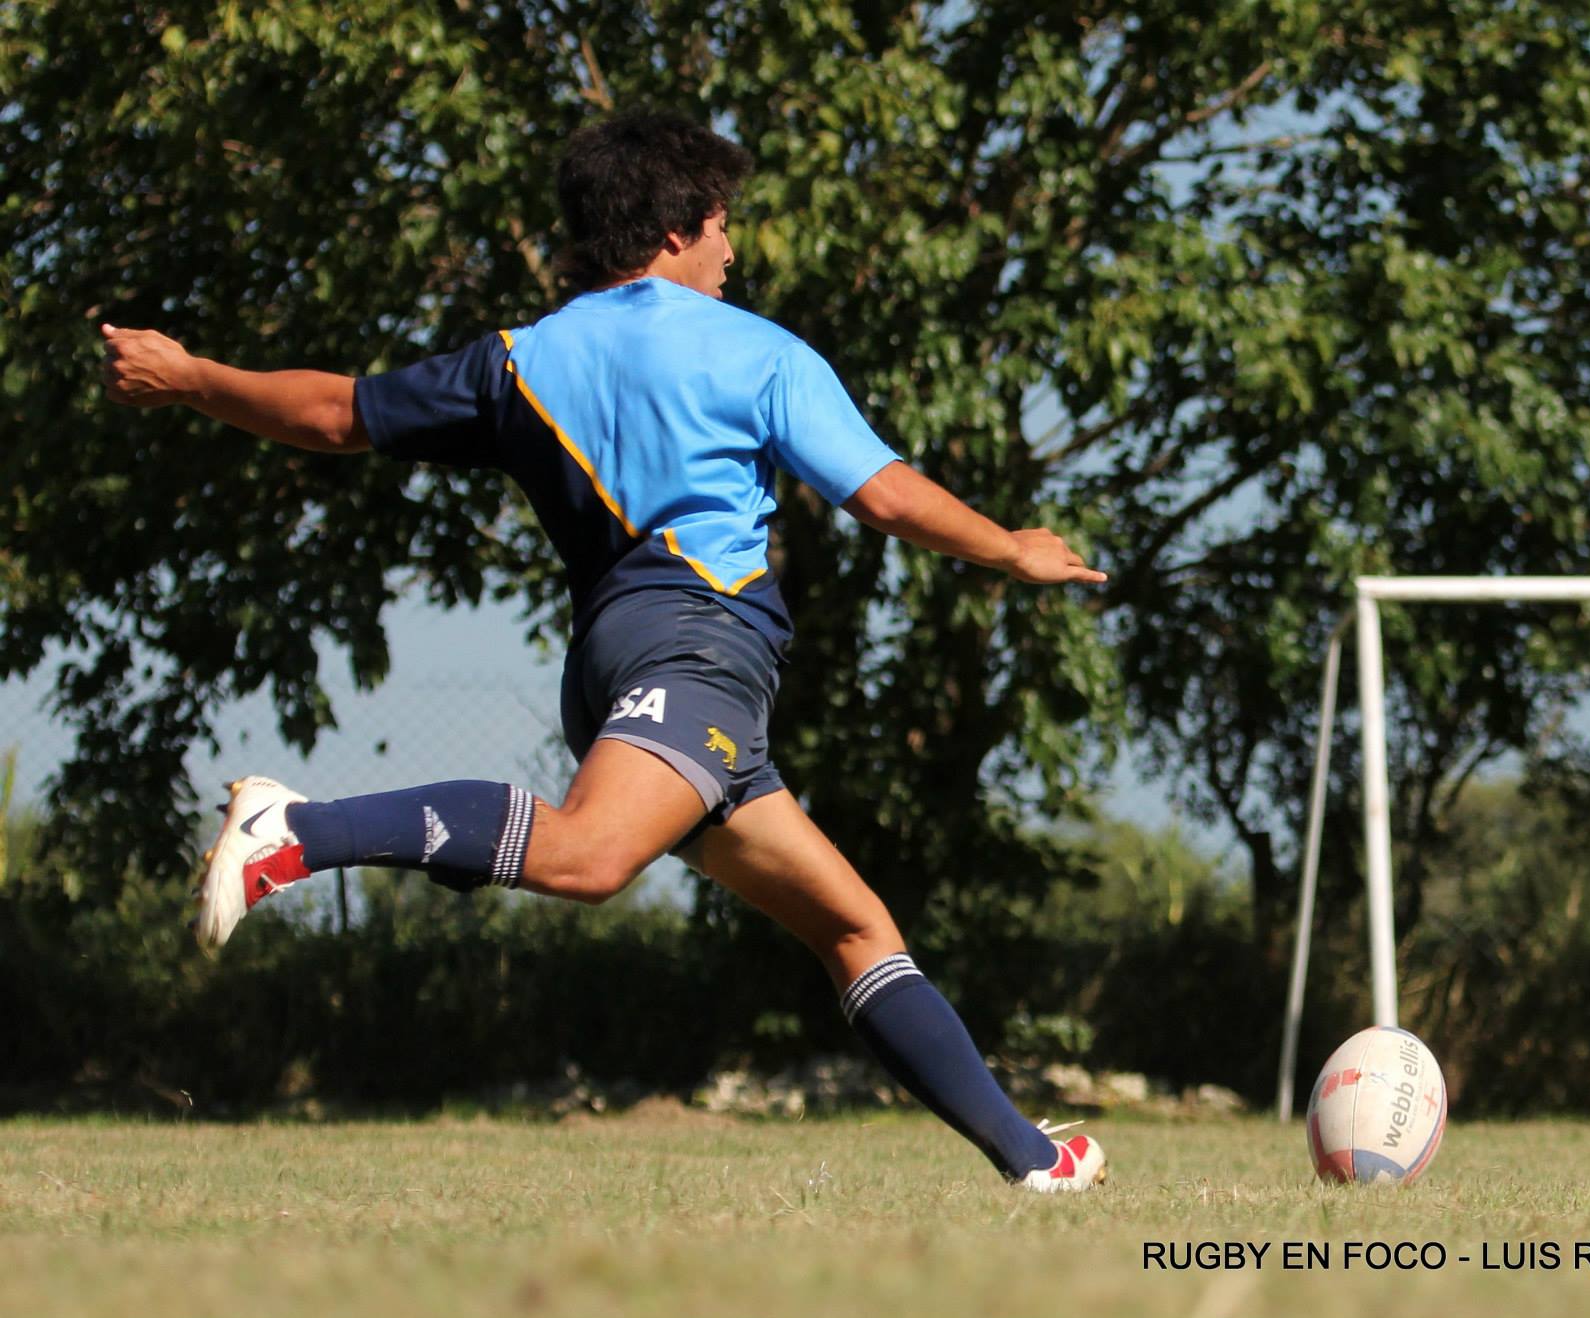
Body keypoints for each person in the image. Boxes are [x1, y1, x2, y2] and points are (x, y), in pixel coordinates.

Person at [97, 110, 1108, 1192]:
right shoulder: (759, 351)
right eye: (724, 225)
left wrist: (198, 377)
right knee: (591, 857)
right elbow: (886, 496)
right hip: (695, 652)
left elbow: (338, 413)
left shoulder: (522, 357)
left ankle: (1032, 1160)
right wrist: (1011, 548)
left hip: (621, 669)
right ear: (680, 227)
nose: (735, 250)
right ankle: (295, 830)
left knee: (856, 927)